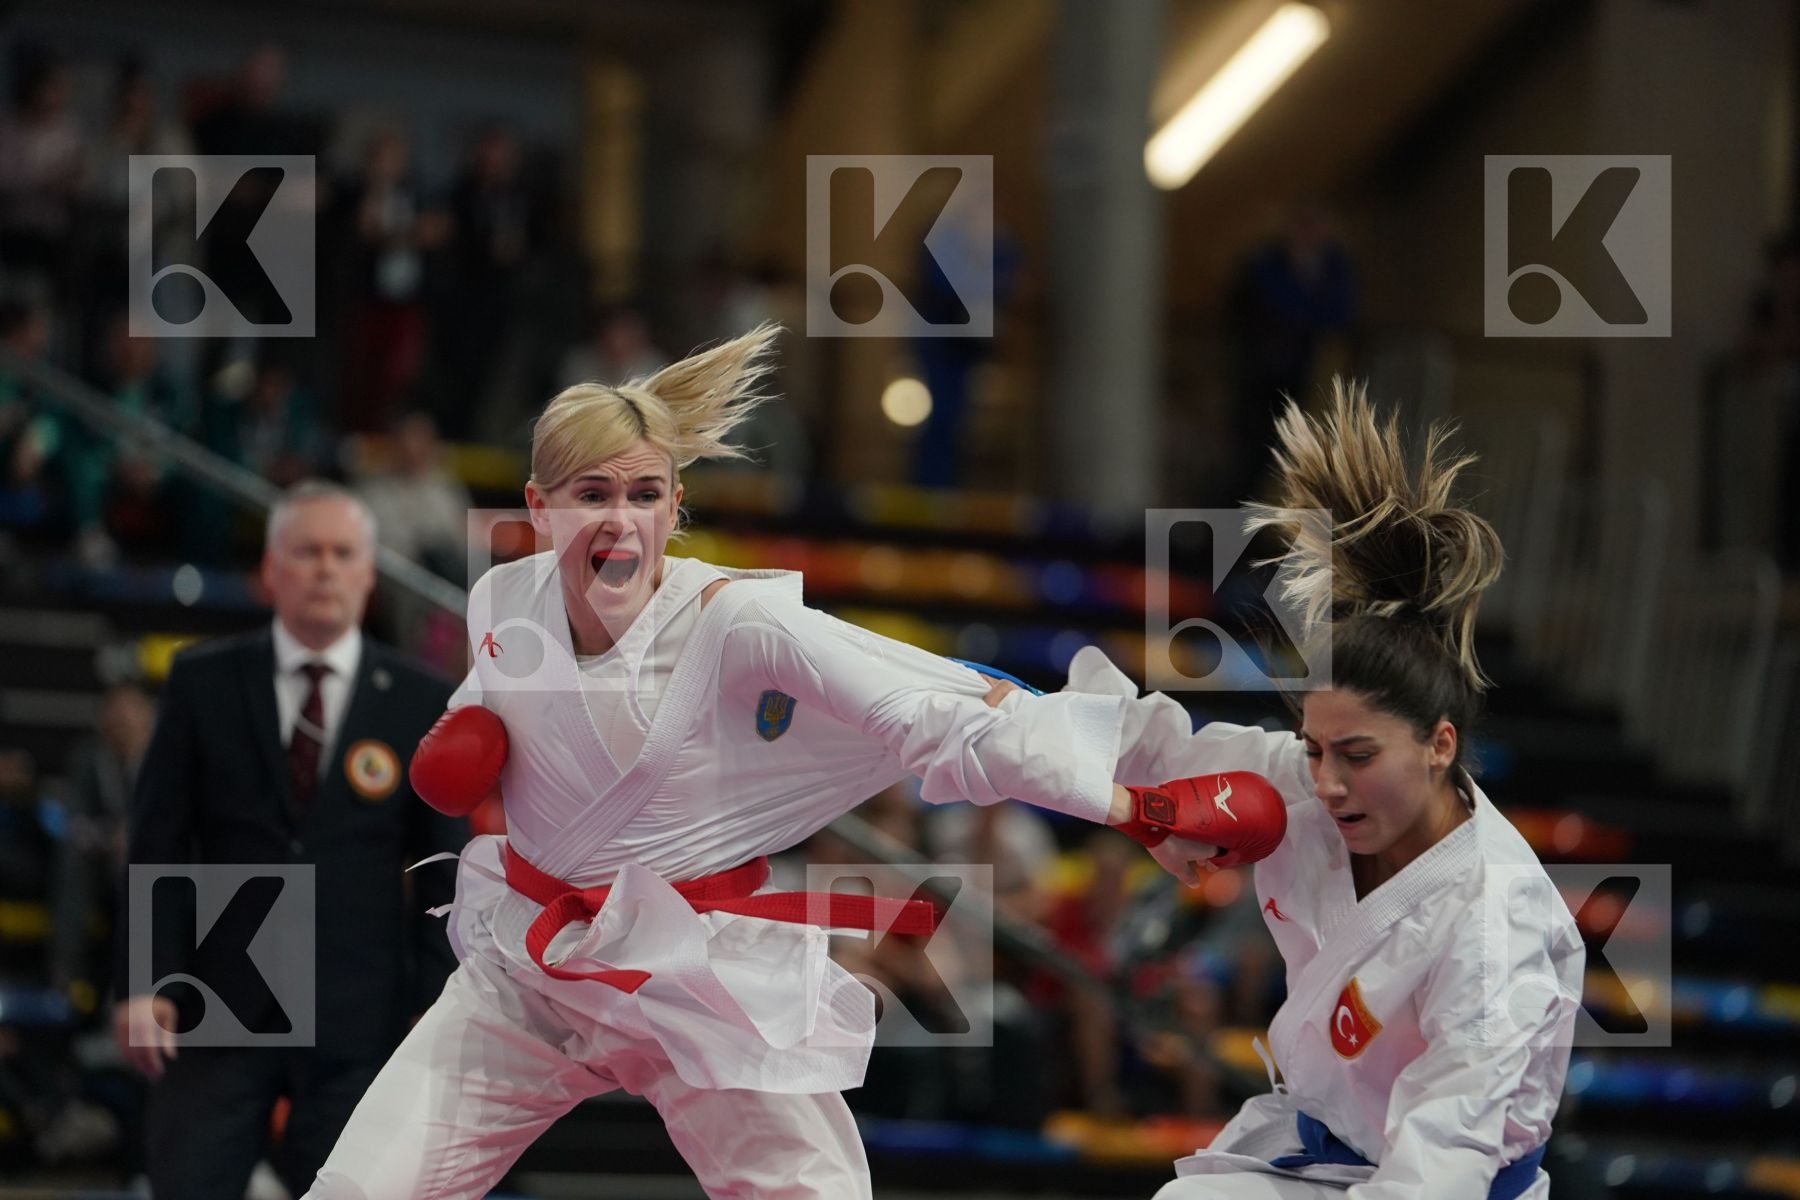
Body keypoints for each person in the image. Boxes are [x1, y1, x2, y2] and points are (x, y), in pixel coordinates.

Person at [297, 324, 1287, 1200]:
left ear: (675, 508)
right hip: (533, 968)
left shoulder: (739, 624)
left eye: (645, 495)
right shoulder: (504, 598)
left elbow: (932, 708)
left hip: (695, 974)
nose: (620, 519)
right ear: (538, 505)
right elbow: (490, 697)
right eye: (591, 495)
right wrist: (465, 732)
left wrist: (1126, 805)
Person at [1052, 383, 1585, 1198]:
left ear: (1441, 744)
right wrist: (1120, 800)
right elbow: (1142, 751)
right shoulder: (1304, 785)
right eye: (1314, 748)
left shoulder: (1493, 921)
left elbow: (1441, 1163)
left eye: (1358, 755)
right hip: (1314, 1153)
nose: (1328, 783)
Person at [112, 482, 469, 1200]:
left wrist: (438, 1000)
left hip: (360, 1011)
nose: (325, 569)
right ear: (270, 571)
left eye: (343, 554)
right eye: (306, 552)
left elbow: (442, 870)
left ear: (369, 574)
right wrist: (143, 981)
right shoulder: (202, 679)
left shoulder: (419, 698)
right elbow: (158, 839)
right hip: (217, 998)